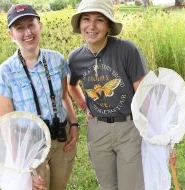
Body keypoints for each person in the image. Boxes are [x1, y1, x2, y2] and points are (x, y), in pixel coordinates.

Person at [0, 4, 79, 190]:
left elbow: (64, 97)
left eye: (31, 25)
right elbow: (7, 124)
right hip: (29, 145)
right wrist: (20, 168)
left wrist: (73, 124)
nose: (27, 32)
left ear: (40, 25)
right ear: (11, 34)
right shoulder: (5, 72)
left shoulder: (57, 60)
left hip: (60, 138)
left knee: (59, 186)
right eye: (19, 28)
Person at [67, 0, 148, 189]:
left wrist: (157, 133)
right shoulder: (75, 58)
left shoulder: (127, 50)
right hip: (98, 130)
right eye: (86, 19)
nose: (92, 26)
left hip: (128, 127)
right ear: (79, 24)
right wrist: (85, 106)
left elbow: (144, 92)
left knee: (131, 186)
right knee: (108, 186)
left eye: (99, 20)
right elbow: (71, 86)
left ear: (109, 25)